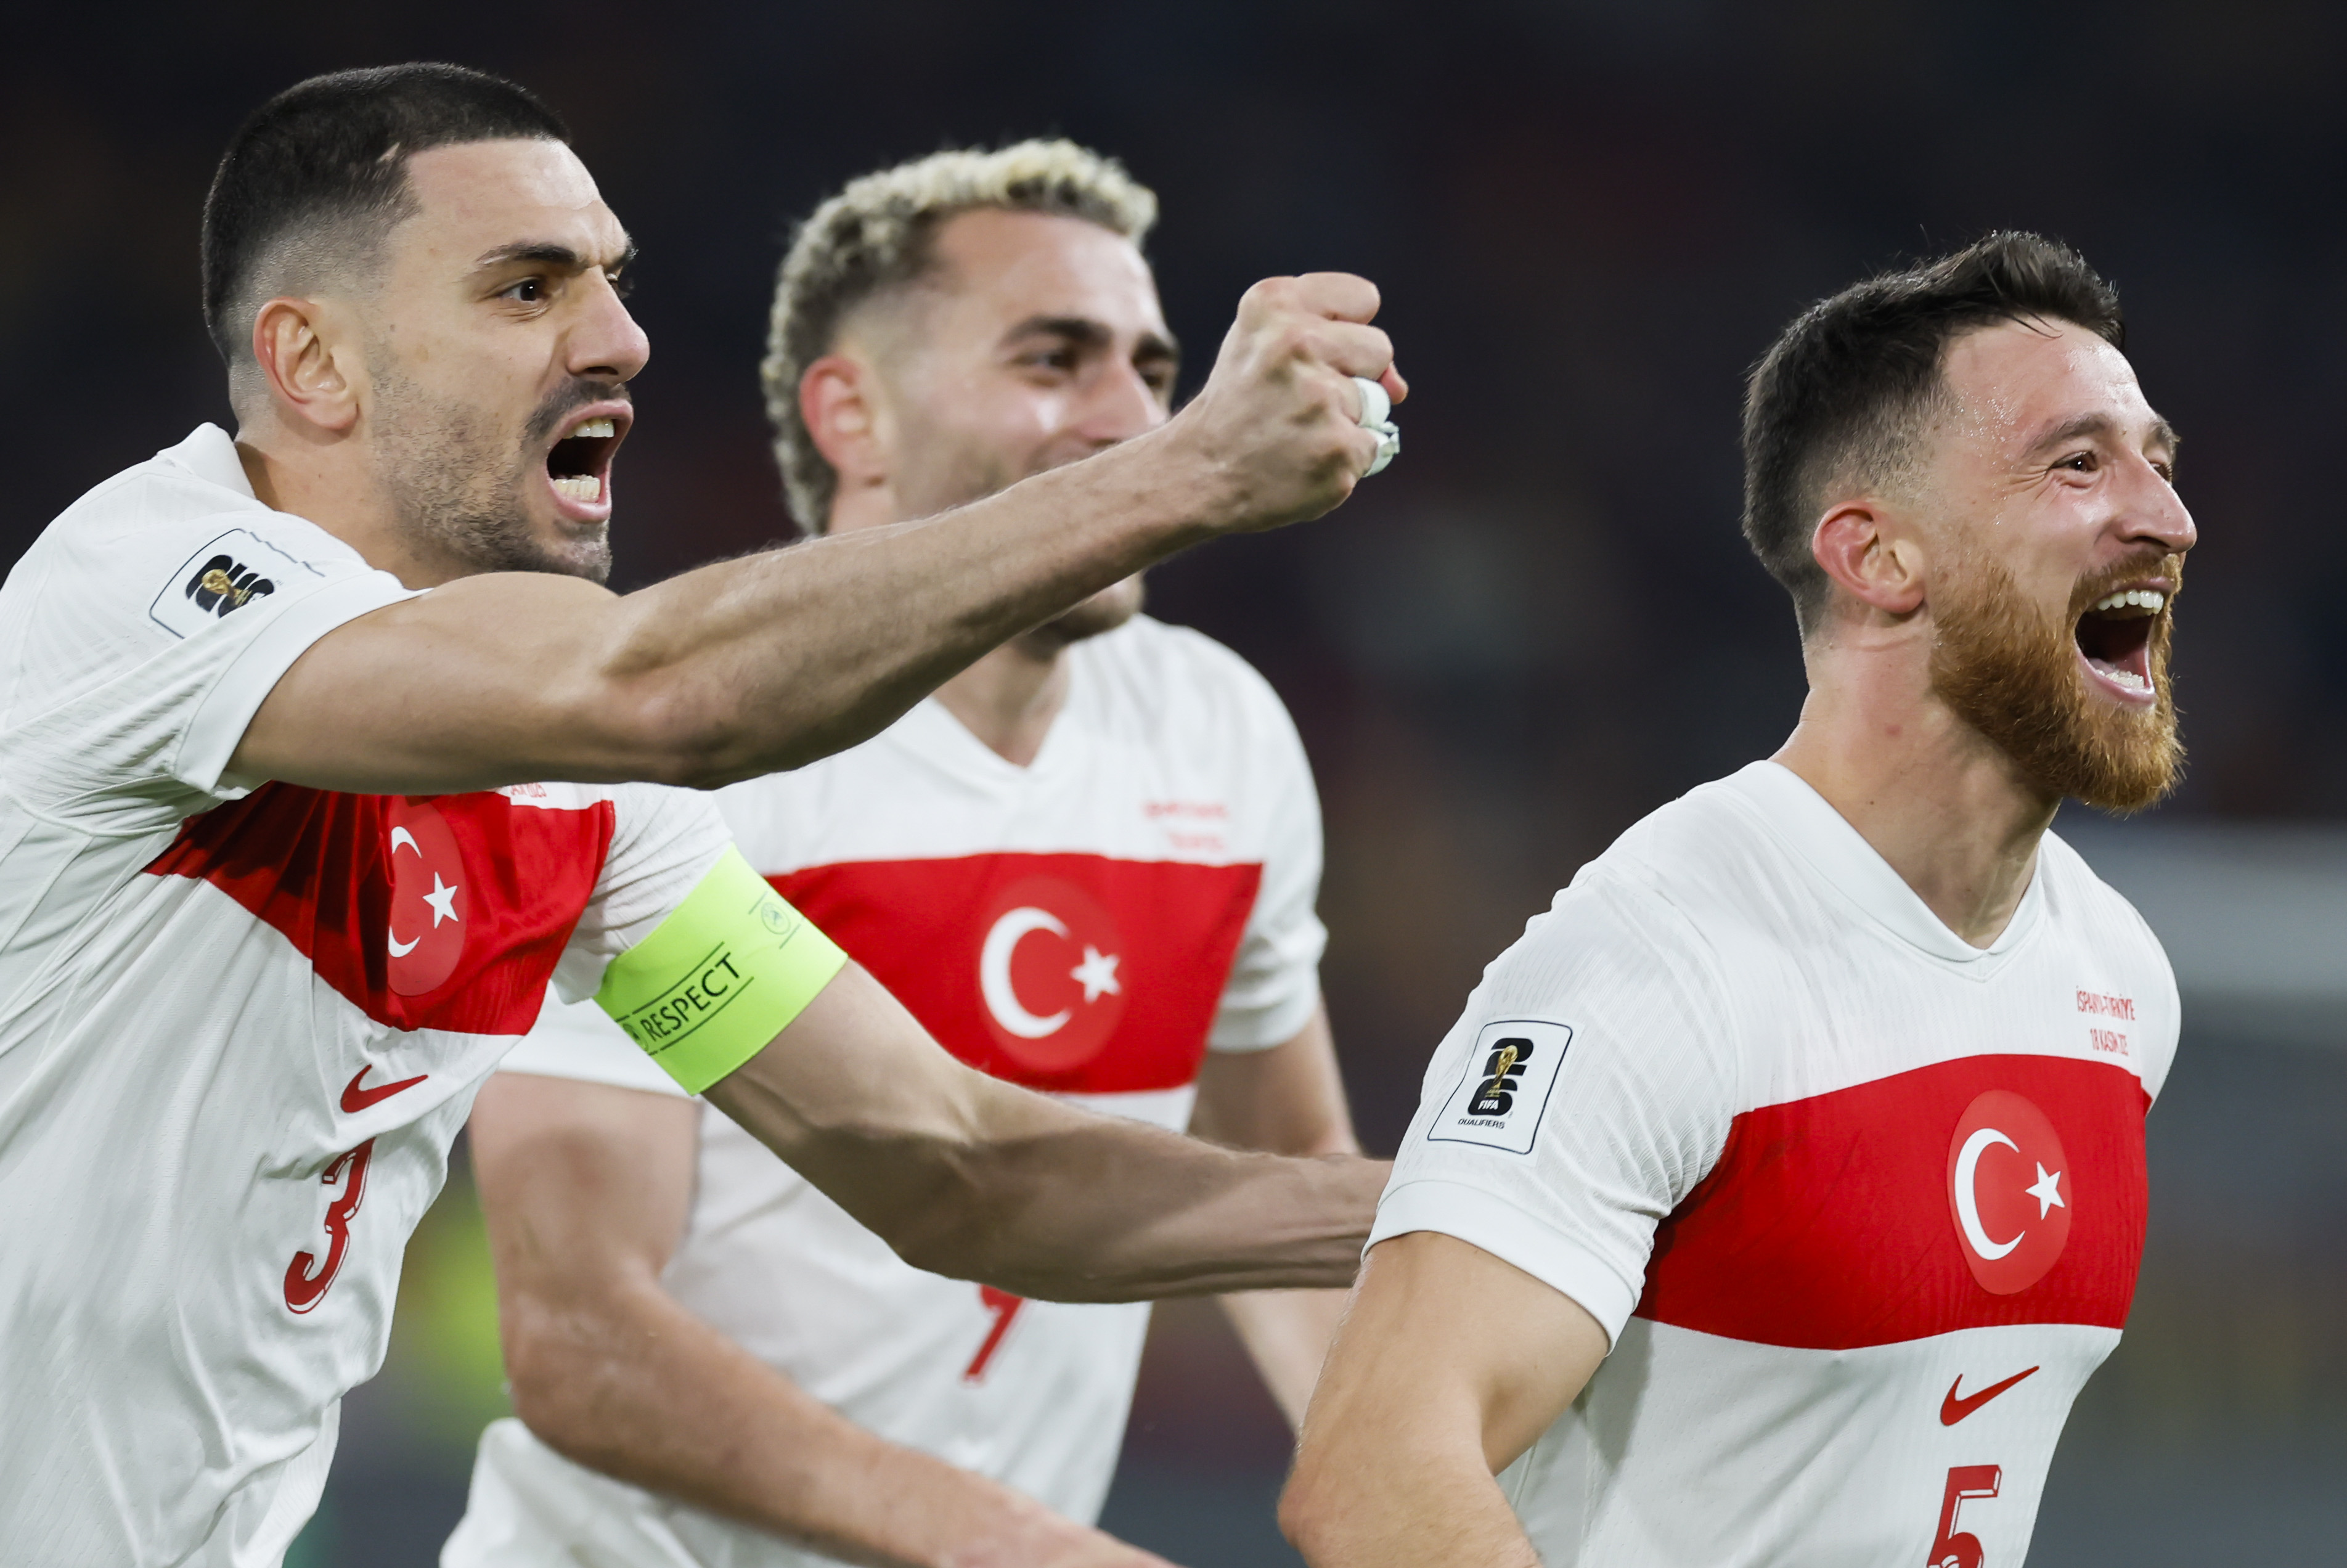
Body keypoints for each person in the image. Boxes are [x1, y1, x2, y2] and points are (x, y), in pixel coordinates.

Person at [0, 65, 1402, 1568]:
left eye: (610, 283)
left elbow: (963, 1170)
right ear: (314, 364)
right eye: (526, 287)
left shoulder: (568, 796)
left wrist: (1499, 1192)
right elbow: (666, 691)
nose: (618, 339)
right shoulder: (151, 593)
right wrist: (1181, 468)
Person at [440, 142, 1361, 1568]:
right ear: (851, 416)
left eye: (1155, 370)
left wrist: (1417, 1514)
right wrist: (1023, 1551)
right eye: (1054, 359)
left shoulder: (1217, 733)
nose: (1133, 420)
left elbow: (1282, 1177)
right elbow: (581, 1336)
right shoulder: (684, 756)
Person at [1280, 232, 2190, 1567]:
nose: (2163, 517)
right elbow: (1370, 1473)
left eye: (2155, 461)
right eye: (2076, 462)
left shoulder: (2114, 978)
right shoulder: (1655, 964)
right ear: (1877, 557)